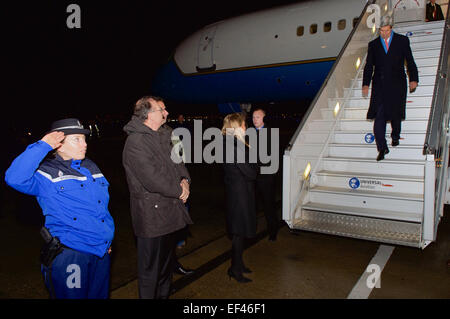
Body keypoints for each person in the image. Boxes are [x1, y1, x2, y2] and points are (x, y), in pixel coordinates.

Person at [4, 118, 115, 299]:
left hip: (100, 252)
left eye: (84, 139)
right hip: (71, 255)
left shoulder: (91, 167)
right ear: (59, 145)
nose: (84, 144)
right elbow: (14, 178)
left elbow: (100, 209)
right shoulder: (46, 174)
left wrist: (104, 239)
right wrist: (42, 145)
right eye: (77, 139)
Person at [122, 96, 193, 299]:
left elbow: (179, 161)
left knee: (165, 269)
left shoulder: (166, 133)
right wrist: (179, 191)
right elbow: (152, 179)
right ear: (149, 115)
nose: (167, 113)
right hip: (151, 218)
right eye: (162, 109)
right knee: (150, 272)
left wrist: (184, 180)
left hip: (169, 212)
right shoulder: (135, 142)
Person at [362, 15, 418, 161]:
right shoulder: (373, 45)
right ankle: (382, 148)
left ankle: (395, 135)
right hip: (379, 86)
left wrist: (413, 79)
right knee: (378, 118)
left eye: (386, 30)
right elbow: (369, 66)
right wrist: (366, 84)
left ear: (391, 28)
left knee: (396, 114)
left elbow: (410, 61)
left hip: (397, 84)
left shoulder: (402, 41)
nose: (384, 34)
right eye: (381, 31)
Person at [222, 113, 257, 283]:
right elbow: (250, 172)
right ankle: (234, 270)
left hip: (239, 194)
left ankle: (238, 264)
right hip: (239, 196)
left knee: (239, 234)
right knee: (238, 234)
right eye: (243, 125)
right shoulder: (234, 146)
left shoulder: (233, 143)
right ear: (236, 127)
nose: (246, 127)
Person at [252, 108, 278, 241]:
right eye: (253, 117)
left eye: (257, 117)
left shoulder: (271, 133)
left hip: (266, 177)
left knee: (269, 206)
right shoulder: (249, 134)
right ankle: (251, 231)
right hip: (252, 177)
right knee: (252, 206)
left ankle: (273, 231)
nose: (254, 119)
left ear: (264, 118)